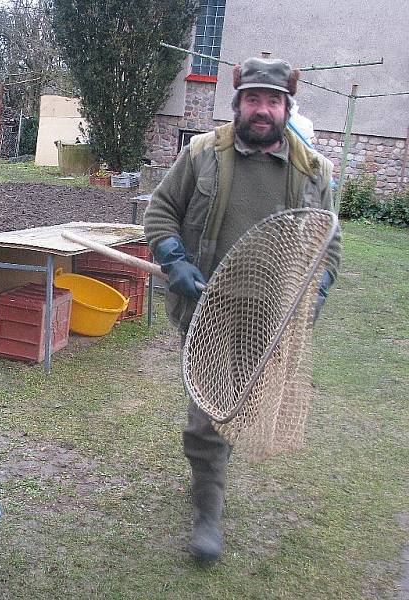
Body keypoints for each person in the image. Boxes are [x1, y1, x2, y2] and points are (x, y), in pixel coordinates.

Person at [143, 57, 341, 566]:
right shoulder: (203, 154)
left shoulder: (313, 171)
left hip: (271, 320)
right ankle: (208, 509)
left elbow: (328, 247)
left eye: (272, 100)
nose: (262, 109)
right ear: (237, 104)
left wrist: (312, 297)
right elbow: (160, 211)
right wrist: (175, 260)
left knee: (237, 407)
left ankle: (208, 475)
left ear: (286, 107)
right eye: (252, 98)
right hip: (208, 310)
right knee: (208, 413)